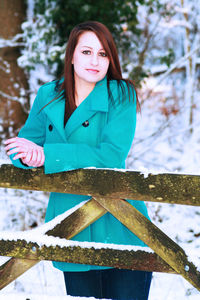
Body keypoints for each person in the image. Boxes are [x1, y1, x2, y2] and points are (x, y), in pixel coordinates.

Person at [5, 21, 152, 299]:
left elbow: (111, 154)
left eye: (103, 54)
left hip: (121, 223)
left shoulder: (121, 94)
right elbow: (22, 145)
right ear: (71, 55)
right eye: (86, 52)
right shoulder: (48, 94)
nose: (95, 61)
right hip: (70, 223)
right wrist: (28, 157)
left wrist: (49, 154)